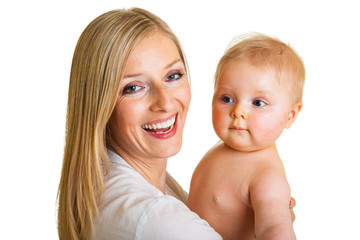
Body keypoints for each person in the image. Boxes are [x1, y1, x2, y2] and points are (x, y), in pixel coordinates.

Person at [57, 8, 295, 240]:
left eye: (173, 76)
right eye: (133, 87)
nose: (165, 101)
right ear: (98, 104)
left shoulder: (120, 187)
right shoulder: (154, 217)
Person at [187, 33, 305, 240]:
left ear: (290, 115)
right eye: (227, 98)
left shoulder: (266, 177)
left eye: (258, 103)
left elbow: (275, 229)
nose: (238, 111)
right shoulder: (223, 149)